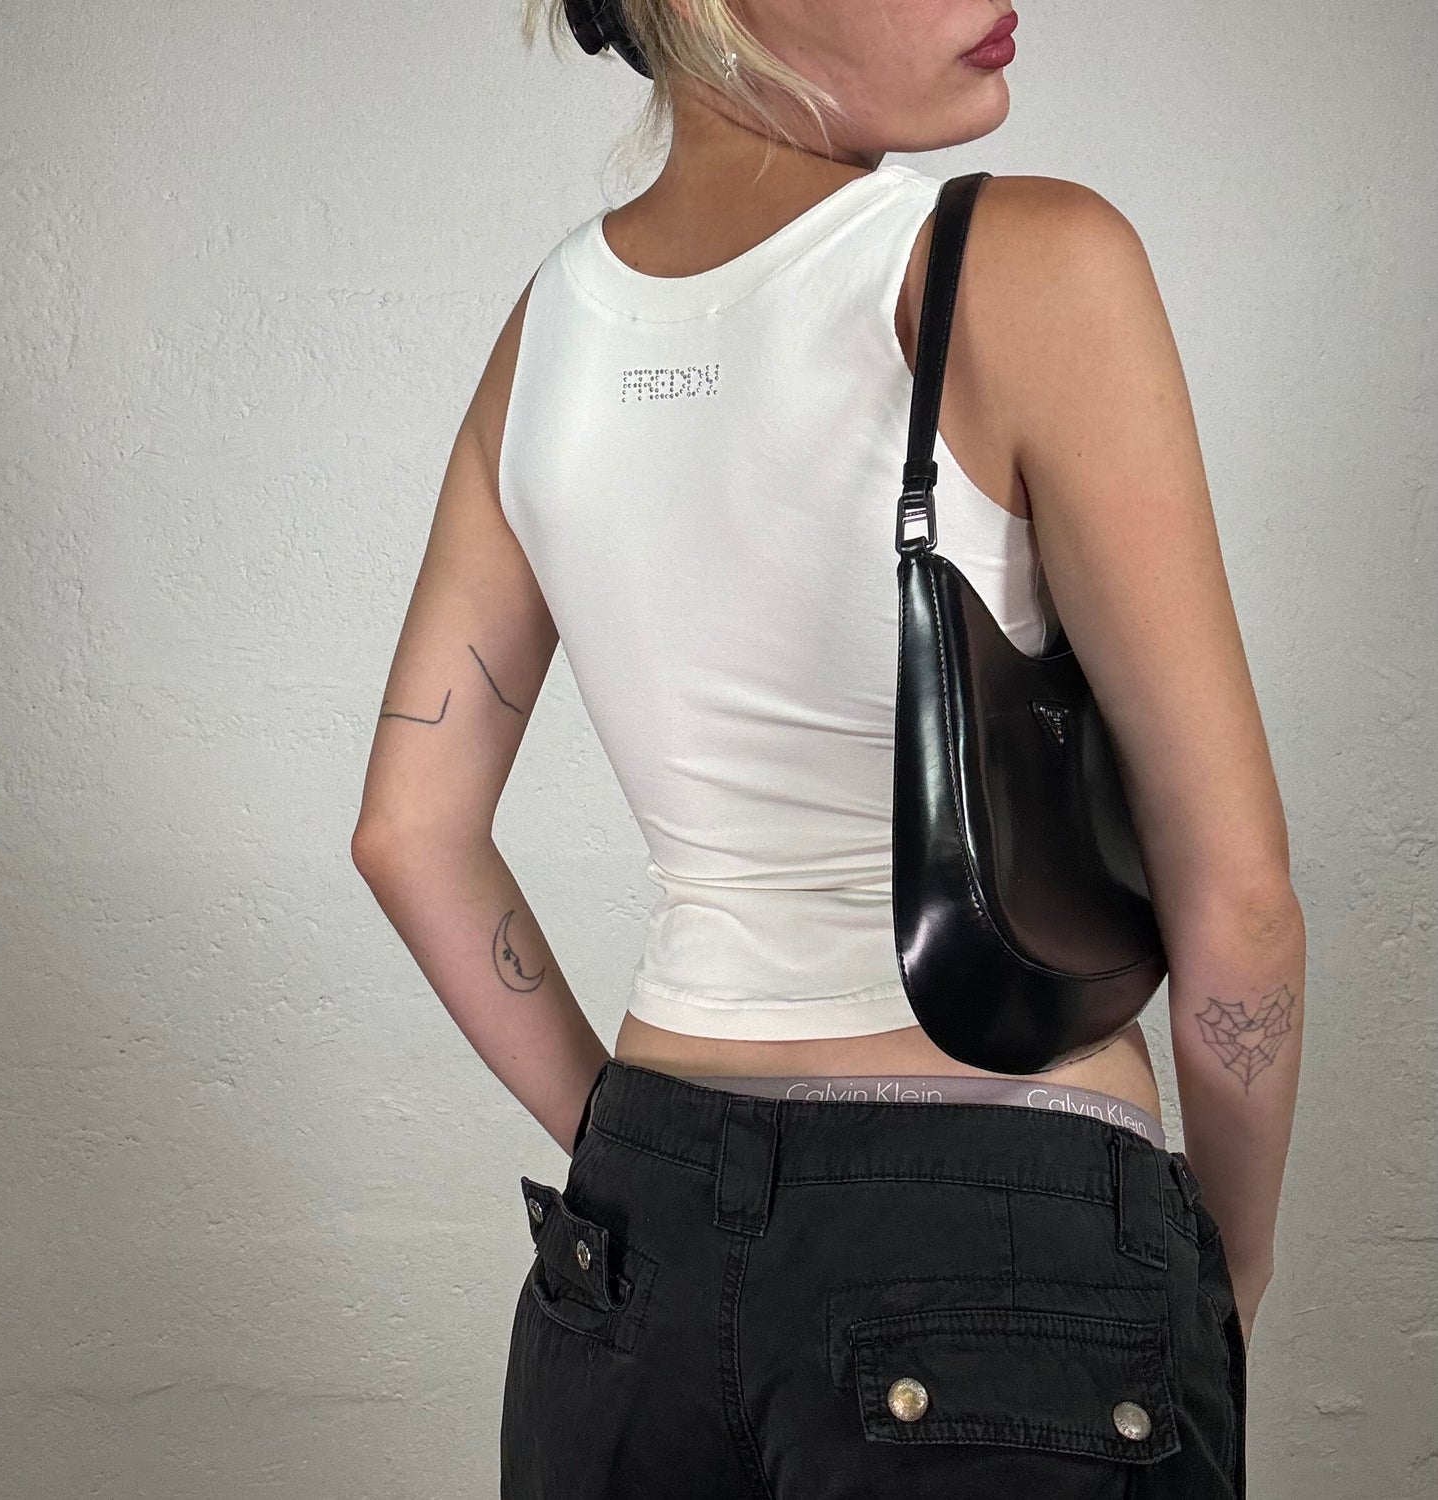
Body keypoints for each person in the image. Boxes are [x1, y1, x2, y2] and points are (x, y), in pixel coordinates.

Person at [351, 3, 1305, 1495]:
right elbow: (1235, 902)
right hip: (1007, 1241)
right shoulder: (1027, 260)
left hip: (631, 1273)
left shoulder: (546, 334)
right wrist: (1222, 1272)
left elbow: (408, 834)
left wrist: (632, 1153)